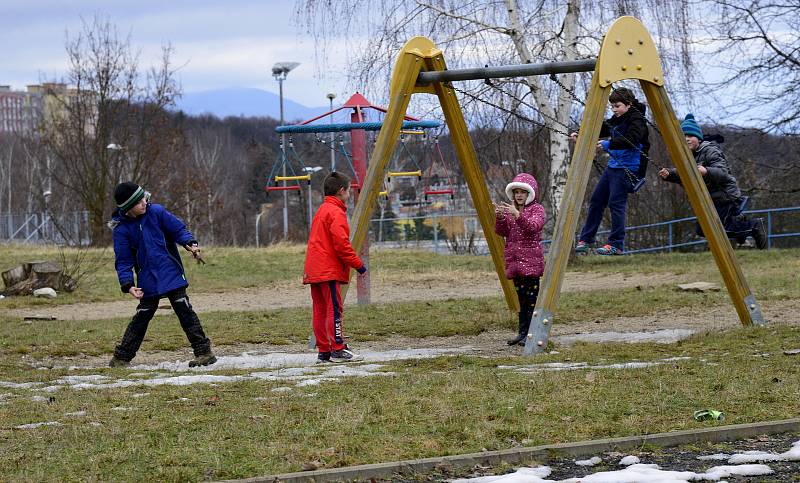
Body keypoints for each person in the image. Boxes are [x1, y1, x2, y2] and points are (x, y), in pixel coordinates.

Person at [108, 182, 216, 368]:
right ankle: (121, 358)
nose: (144, 202)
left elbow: (178, 230)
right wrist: (128, 285)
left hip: (170, 272)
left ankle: (204, 353)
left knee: (184, 309)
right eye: (138, 201)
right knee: (142, 316)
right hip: (147, 279)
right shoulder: (121, 230)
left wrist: (190, 243)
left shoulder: (156, 212)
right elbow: (123, 261)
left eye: (143, 198)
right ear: (128, 207)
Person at [658, 114, 767, 249]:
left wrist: (707, 171)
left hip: (724, 196)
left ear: (698, 138)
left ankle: (754, 226)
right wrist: (669, 174)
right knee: (702, 230)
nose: (687, 139)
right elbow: (684, 172)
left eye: (690, 136)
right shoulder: (687, 155)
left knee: (720, 230)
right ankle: (741, 227)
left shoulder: (710, 150)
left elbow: (723, 172)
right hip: (710, 199)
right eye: (684, 137)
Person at [573, 87, 650, 255]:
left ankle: (616, 244)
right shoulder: (618, 118)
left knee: (616, 203)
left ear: (628, 105)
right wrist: (582, 134)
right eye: (612, 107)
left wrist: (608, 144)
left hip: (628, 168)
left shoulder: (637, 120)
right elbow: (604, 129)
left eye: (617, 106)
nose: (614, 110)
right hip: (614, 166)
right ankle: (586, 239)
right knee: (596, 201)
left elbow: (632, 139)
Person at [304, 172, 367, 363]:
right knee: (335, 310)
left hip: (315, 269)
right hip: (328, 270)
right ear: (341, 191)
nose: (349, 194)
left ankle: (324, 351)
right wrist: (359, 265)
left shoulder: (322, 210)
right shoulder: (336, 212)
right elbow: (342, 245)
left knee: (320, 310)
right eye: (348, 191)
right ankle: (338, 348)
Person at [494, 173, 546, 346]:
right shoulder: (511, 211)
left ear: (529, 193)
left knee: (532, 301)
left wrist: (518, 215)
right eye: (516, 192)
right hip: (515, 263)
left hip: (531, 263)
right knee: (522, 300)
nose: (519, 195)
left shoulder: (537, 209)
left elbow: (532, 227)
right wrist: (501, 218)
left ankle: (531, 333)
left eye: (522, 192)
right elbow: (502, 232)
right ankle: (522, 332)